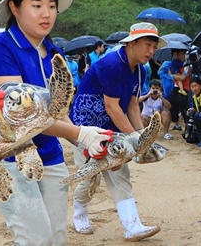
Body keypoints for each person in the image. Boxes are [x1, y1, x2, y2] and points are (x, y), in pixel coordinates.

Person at [0, 0, 111, 245]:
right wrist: (80, 134)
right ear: (14, 7)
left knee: (57, 237)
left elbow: (60, 110)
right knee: (35, 238)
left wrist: (84, 140)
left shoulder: (54, 54)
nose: (46, 13)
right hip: (9, 158)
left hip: (50, 156)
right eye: (36, 5)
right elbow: (20, 115)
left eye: (51, 6)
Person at [69, 22, 165, 241]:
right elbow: (112, 107)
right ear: (132, 43)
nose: (151, 51)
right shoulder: (111, 64)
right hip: (86, 128)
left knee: (120, 174)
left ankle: (132, 225)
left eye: (154, 46)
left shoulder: (140, 70)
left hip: (112, 127)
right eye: (147, 45)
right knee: (89, 176)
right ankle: (79, 212)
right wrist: (134, 138)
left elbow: (132, 105)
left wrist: (143, 137)